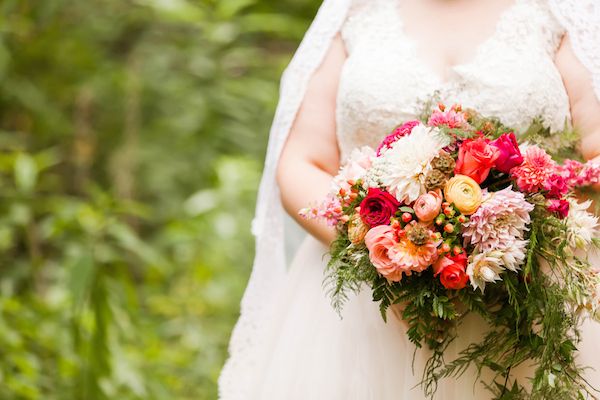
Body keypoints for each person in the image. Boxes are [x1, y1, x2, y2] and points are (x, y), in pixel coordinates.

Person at [219, 0, 600, 398]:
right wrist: (377, 254)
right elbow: (300, 163)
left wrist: (517, 219)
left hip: (529, 293)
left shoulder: (562, 10)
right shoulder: (352, 12)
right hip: (364, 306)